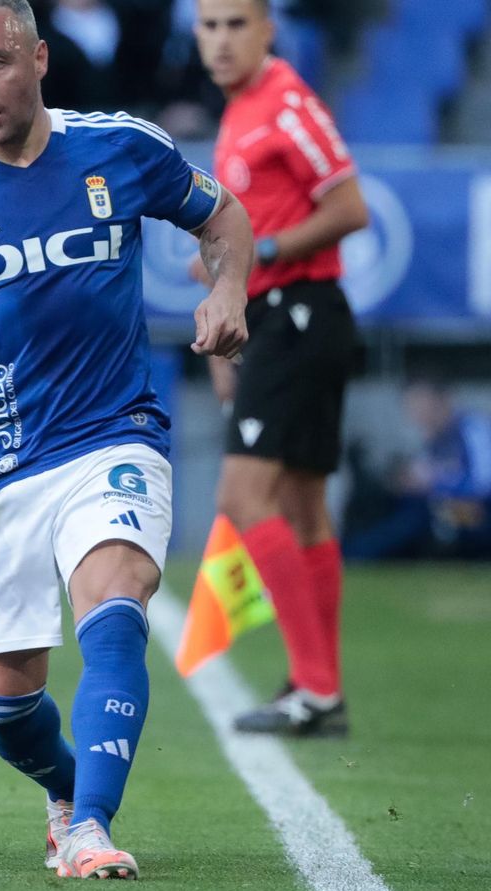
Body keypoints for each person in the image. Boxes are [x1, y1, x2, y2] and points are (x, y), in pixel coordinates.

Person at [0, 0, 250, 879]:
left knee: (114, 610)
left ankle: (91, 830)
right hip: (0, 465)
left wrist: (227, 293)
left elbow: (224, 217)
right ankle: (67, 795)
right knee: (4, 705)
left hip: (116, 434)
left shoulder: (120, 147)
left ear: (38, 59)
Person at [193, 0, 369, 737]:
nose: (222, 40)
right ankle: (316, 683)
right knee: (301, 509)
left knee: (242, 494)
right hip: (281, 321)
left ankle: (317, 688)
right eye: (209, 26)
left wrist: (261, 251)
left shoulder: (287, 102)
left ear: (268, 30)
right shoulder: (240, 110)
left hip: (299, 313)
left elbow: (351, 207)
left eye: (238, 23)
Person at [344, 378, 491, 561]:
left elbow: (483, 484)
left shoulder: (471, 429)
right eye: (411, 406)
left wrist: (436, 485)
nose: (416, 413)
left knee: (421, 513)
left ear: (441, 400)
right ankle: (355, 549)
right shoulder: (435, 439)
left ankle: (355, 553)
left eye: (421, 404)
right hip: (447, 508)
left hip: (479, 512)